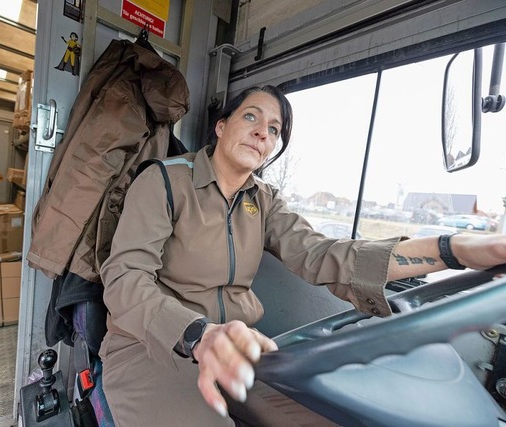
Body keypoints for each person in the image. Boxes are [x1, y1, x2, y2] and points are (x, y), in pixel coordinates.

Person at [98, 85, 506, 426]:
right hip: (152, 346)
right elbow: (124, 279)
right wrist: (198, 335)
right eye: (251, 118)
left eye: (274, 129)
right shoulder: (165, 181)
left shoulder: (265, 200)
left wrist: (451, 250)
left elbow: (323, 254)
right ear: (221, 127)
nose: (263, 133)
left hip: (243, 350)